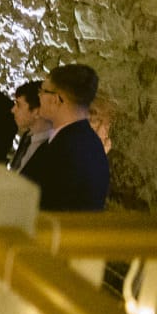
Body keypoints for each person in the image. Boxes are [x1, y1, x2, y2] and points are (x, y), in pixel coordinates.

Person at [25, 64, 110, 211]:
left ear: (56, 99)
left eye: (43, 91)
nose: (39, 96)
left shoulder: (69, 149)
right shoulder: (84, 139)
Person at [7, 80, 50, 172]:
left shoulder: (52, 147)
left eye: (18, 105)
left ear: (36, 111)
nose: (13, 110)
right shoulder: (27, 136)